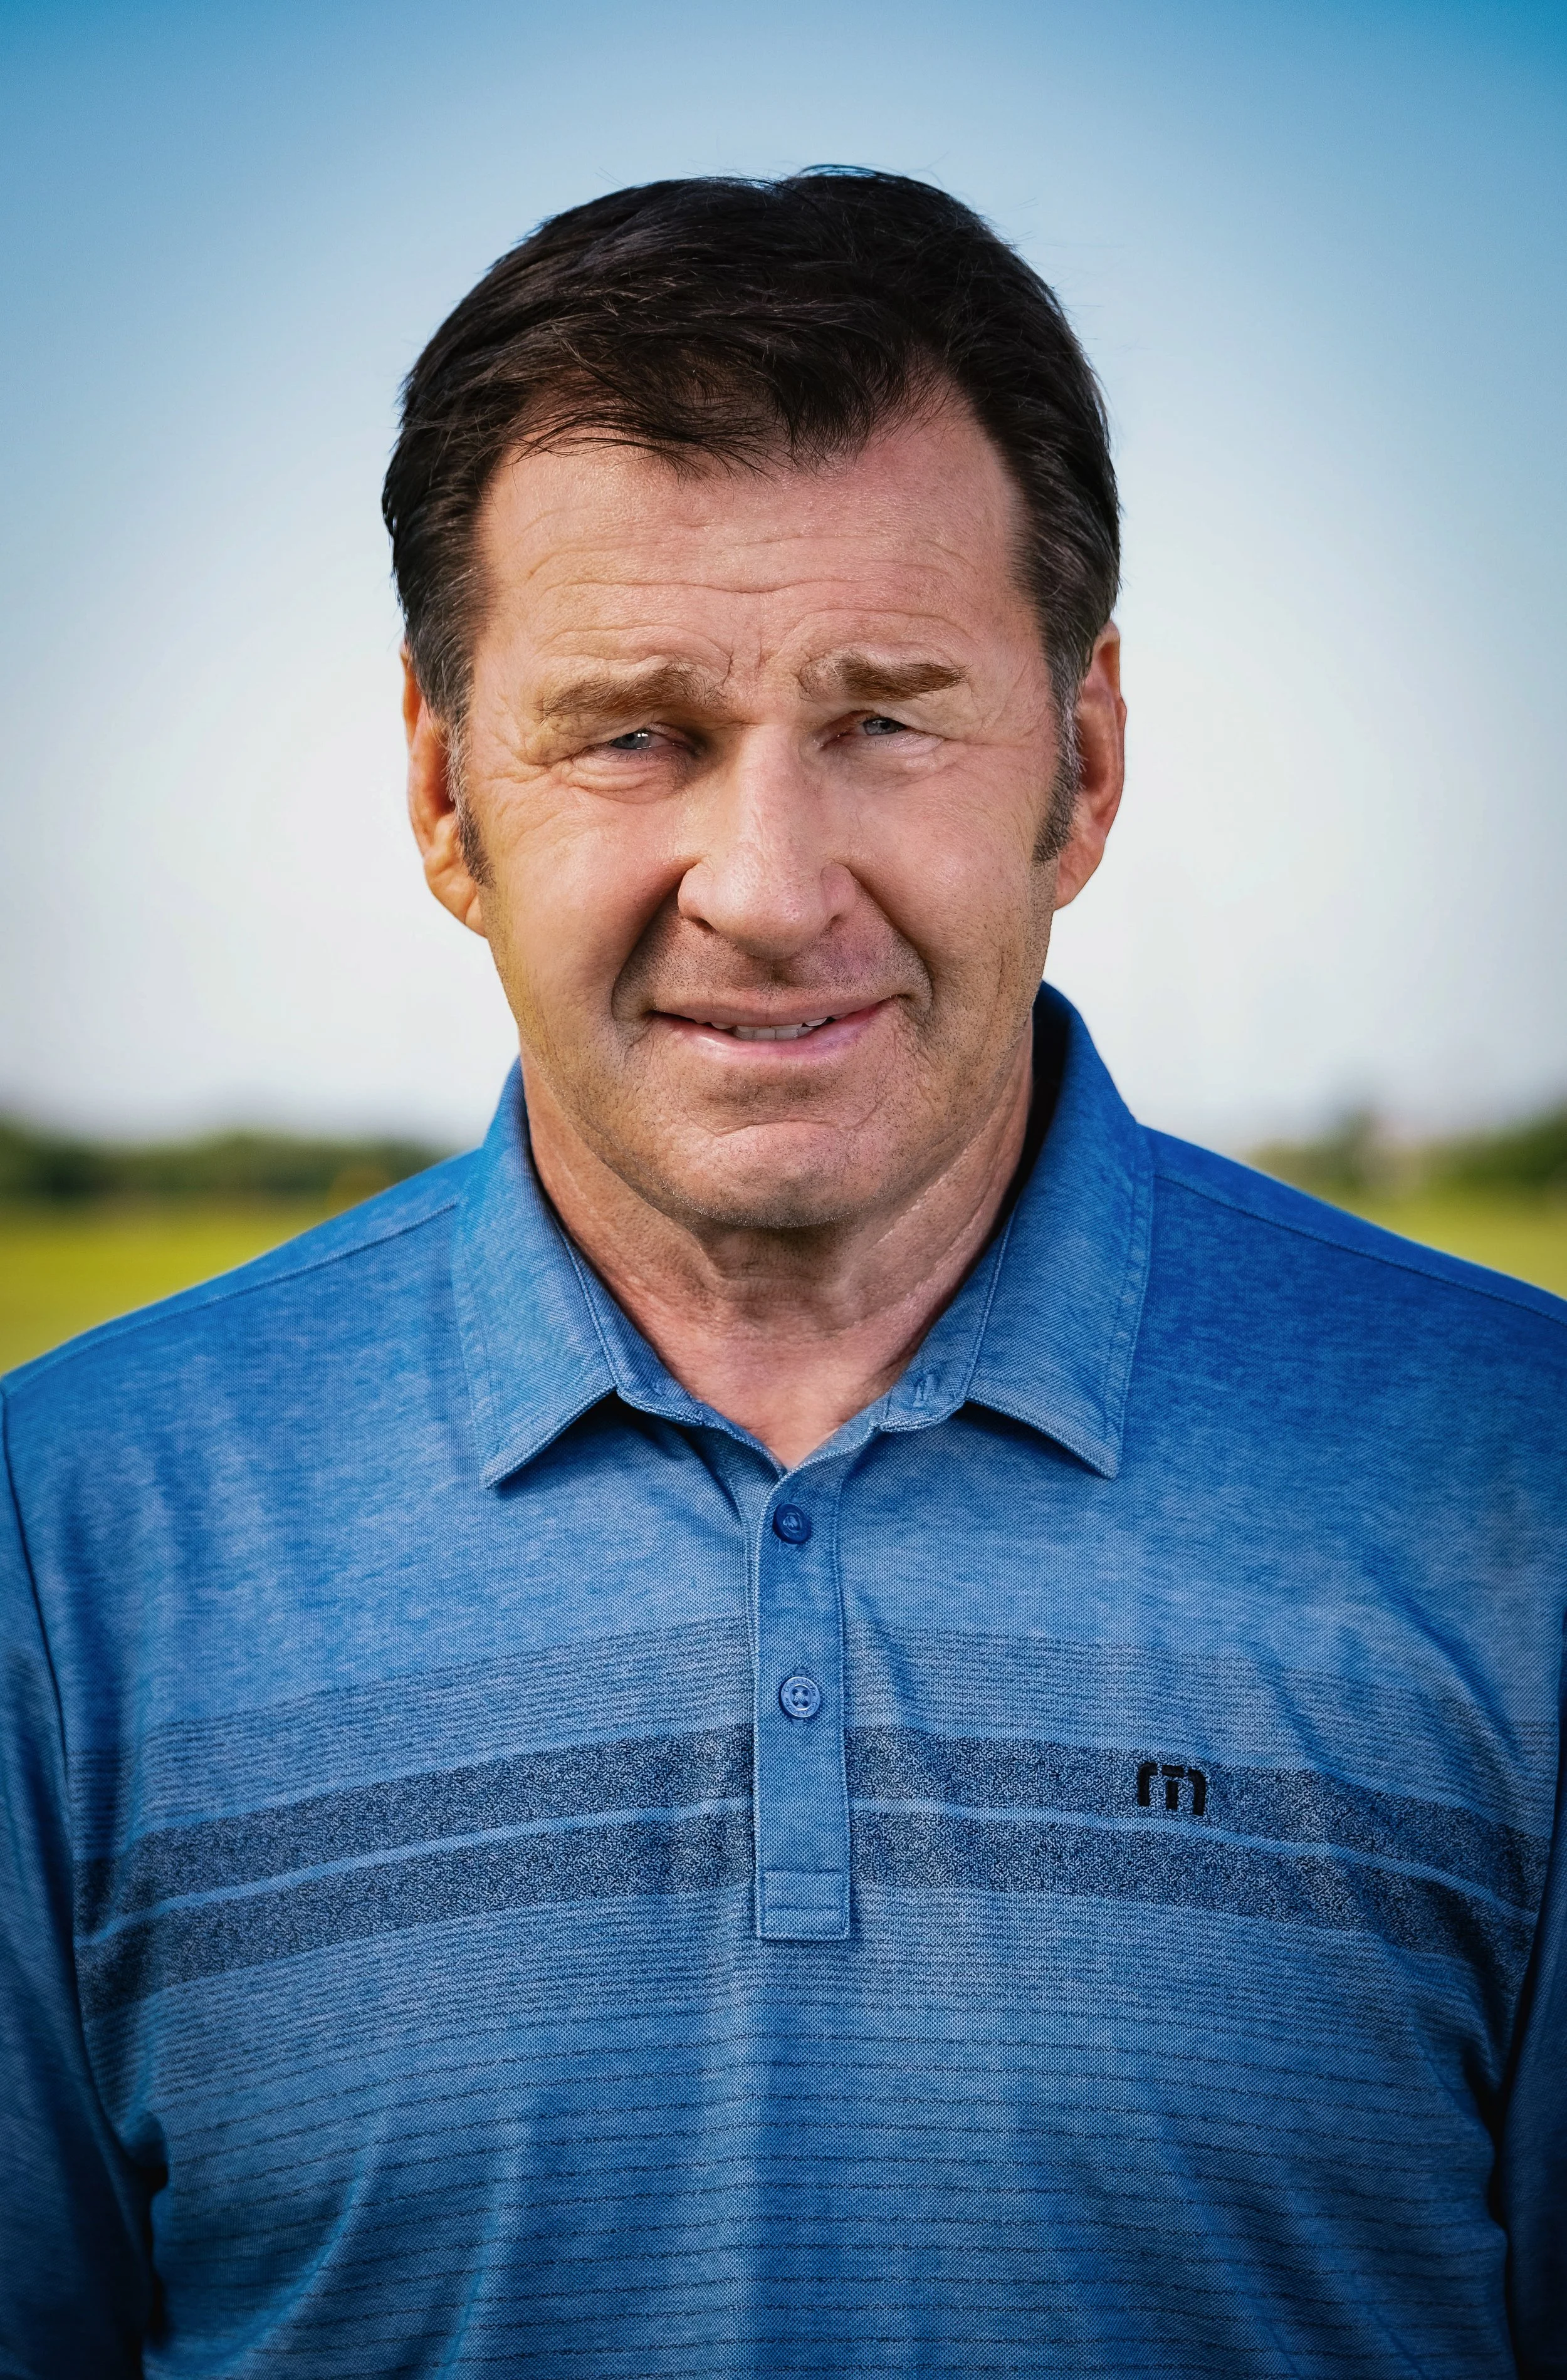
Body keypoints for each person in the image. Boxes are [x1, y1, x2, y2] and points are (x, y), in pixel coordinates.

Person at [1, 170, 1562, 2380]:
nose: (763, 882)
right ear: (446, 794)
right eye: (634, 729)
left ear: (1083, 765)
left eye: (886, 718)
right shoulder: (60, 1552)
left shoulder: (1529, 1479)